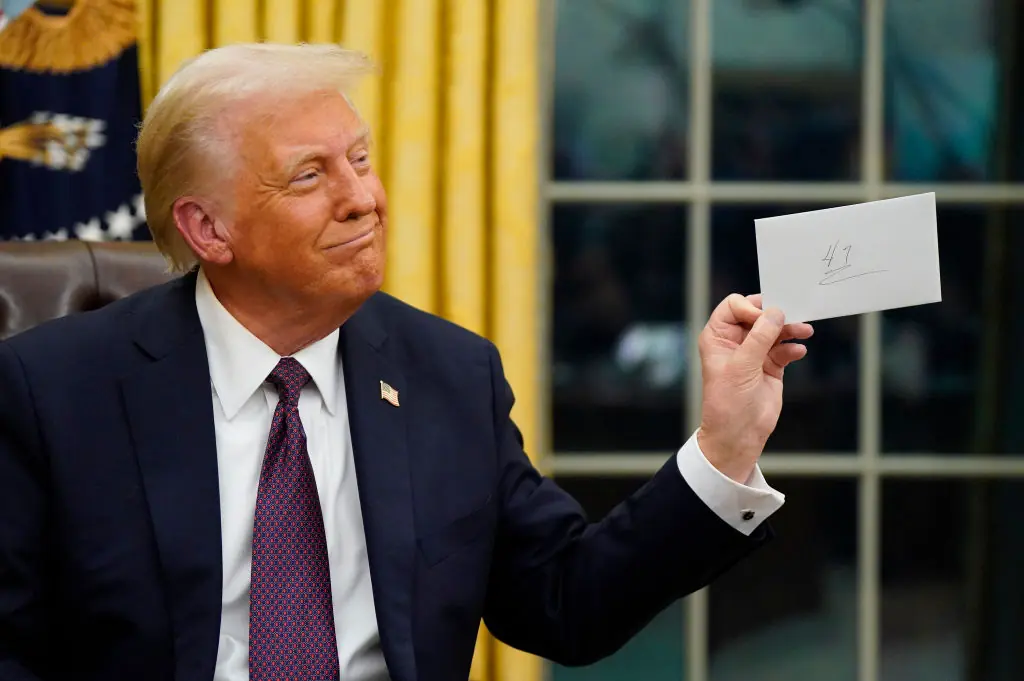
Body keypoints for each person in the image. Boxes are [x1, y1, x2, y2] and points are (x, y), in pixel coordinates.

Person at [0, 43, 813, 681]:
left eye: (360, 157)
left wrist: (722, 449)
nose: (363, 196)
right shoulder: (55, 390)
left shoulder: (448, 376)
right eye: (309, 175)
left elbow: (567, 604)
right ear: (209, 231)